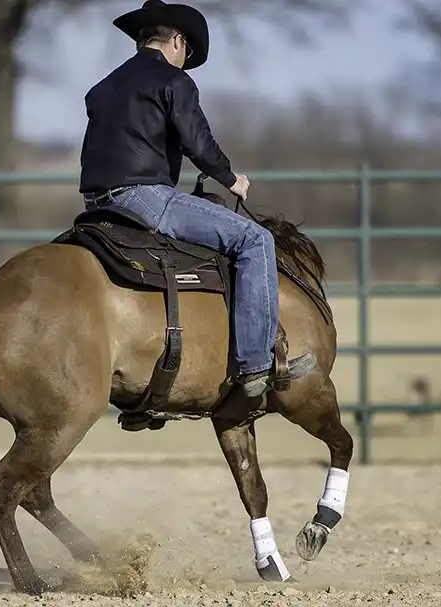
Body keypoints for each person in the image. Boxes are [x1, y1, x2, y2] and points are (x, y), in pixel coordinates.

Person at [78, 0, 316, 397]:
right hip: (145, 197)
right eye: (186, 52)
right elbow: (197, 142)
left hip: (96, 203)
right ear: (177, 41)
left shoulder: (102, 88)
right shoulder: (173, 81)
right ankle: (256, 364)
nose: (184, 61)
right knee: (255, 240)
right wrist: (230, 178)